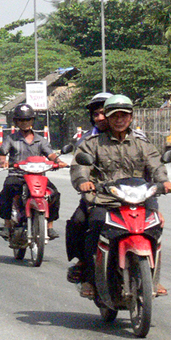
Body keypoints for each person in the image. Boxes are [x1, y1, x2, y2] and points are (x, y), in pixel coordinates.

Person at [70, 94, 171, 298]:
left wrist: (164, 182)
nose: (119, 120)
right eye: (114, 116)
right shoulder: (92, 144)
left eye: (124, 115)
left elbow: (156, 166)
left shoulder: (142, 144)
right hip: (106, 201)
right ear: (107, 118)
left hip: (139, 199)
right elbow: (80, 167)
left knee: (155, 227)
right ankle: (90, 279)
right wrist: (83, 182)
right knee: (95, 225)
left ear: (131, 117)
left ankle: (153, 277)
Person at [0, 103, 64, 240]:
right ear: (16, 122)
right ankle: (7, 224)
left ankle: (49, 227)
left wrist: (58, 162)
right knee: (7, 191)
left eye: (28, 119)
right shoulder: (11, 139)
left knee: (54, 194)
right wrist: (3, 161)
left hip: (37, 176)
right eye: (21, 120)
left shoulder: (41, 140)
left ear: (32, 120)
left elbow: (50, 154)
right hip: (17, 175)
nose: (24, 123)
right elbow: (3, 152)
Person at [65, 93, 110, 282]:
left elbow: (152, 164)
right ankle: (84, 264)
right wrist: (84, 182)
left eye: (104, 113)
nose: (100, 118)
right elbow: (79, 167)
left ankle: (150, 274)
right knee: (78, 222)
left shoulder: (137, 139)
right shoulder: (87, 141)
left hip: (131, 196)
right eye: (96, 114)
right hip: (98, 196)